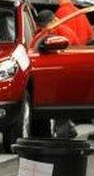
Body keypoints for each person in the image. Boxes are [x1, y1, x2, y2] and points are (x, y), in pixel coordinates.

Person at [34, 10, 80, 139]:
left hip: (66, 70)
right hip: (49, 71)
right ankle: (67, 128)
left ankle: (63, 132)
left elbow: (69, 52)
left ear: (54, 21)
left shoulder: (64, 32)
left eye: (45, 26)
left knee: (60, 100)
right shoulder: (42, 32)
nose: (44, 29)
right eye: (42, 27)